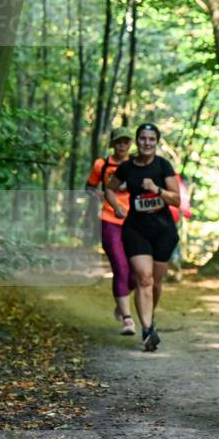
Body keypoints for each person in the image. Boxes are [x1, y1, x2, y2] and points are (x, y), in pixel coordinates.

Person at [105, 123, 180, 352]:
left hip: (163, 230)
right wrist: (116, 205)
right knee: (144, 278)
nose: (147, 143)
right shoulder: (127, 168)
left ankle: (149, 316)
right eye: (143, 139)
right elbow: (109, 188)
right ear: (137, 142)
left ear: (156, 142)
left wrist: (157, 190)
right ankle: (147, 330)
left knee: (155, 283)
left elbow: (176, 200)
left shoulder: (163, 166)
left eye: (151, 139)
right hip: (136, 229)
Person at [85, 127, 136, 335]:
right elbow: (89, 186)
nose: (122, 145)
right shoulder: (102, 164)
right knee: (120, 268)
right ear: (113, 143)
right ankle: (127, 319)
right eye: (119, 141)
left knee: (136, 273)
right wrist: (99, 197)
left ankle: (120, 302)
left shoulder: (137, 163)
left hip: (135, 222)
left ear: (130, 144)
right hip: (109, 219)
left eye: (126, 141)